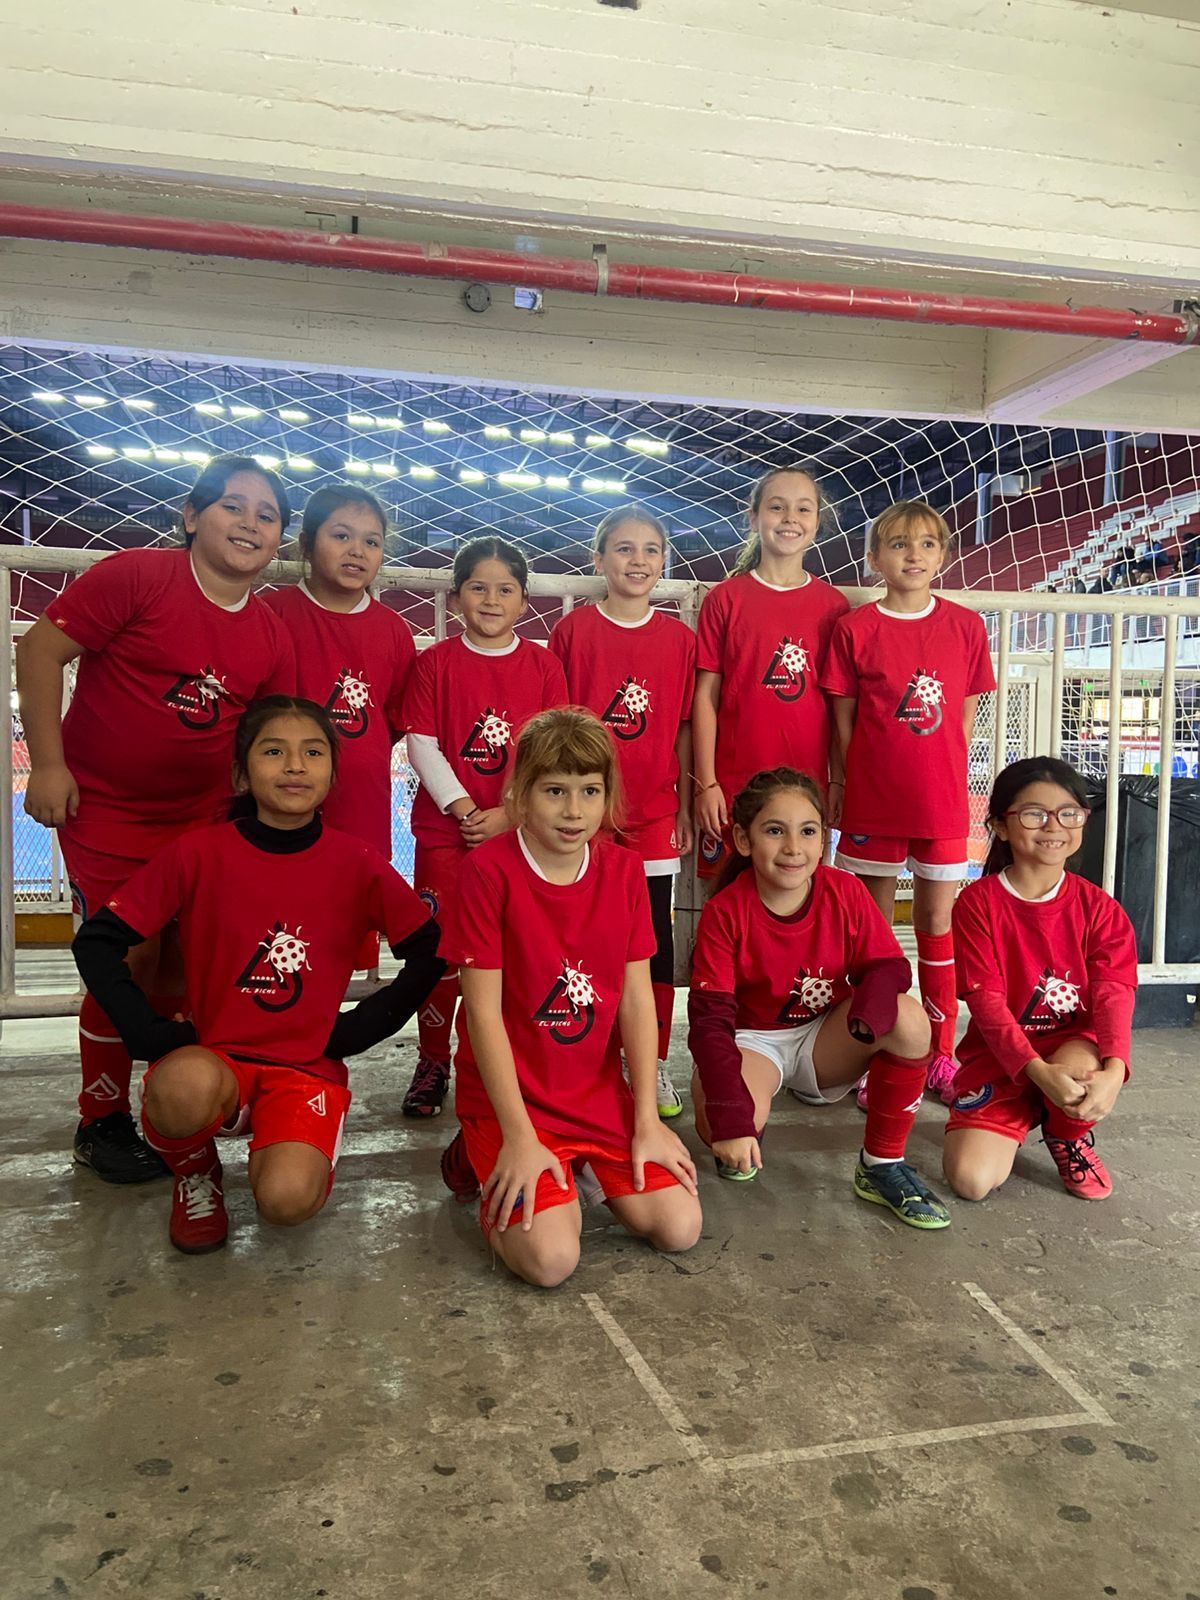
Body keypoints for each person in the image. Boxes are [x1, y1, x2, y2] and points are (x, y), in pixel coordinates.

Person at [71, 697, 445, 1253]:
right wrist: (147, 1033)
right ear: (242, 773)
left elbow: (431, 951)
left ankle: (290, 1140)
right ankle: (196, 1173)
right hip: (216, 1059)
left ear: (331, 772)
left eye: (312, 752)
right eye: (274, 751)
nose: (295, 766)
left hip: (306, 1068)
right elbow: (98, 942)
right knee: (179, 1088)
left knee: (287, 1203)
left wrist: (359, 1028)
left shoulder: (357, 862)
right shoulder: (198, 853)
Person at [16, 456, 297, 1185]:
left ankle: (172, 1112)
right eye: (234, 506)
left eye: (267, 517)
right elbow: (40, 648)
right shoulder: (137, 575)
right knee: (125, 963)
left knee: (182, 968)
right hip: (106, 813)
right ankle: (100, 1117)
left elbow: (263, 740)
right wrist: (49, 765)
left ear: (278, 543)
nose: (250, 523)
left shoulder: (268, 634)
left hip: (201, 824)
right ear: (191, 515)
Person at [438, 708, 701, 1287]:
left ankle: (574, 1165)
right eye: (555, 791)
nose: (574, 810)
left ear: (609, 798)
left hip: (593, 1091)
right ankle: (480, 1155)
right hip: (514, 1099)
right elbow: (480, 1014)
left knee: (679, 1227)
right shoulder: (485, 872)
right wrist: (519, 1138)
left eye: (590, 791)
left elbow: (636, 1001)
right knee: (553, 1260)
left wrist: (646, 1120)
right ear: (519, 795)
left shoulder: (626, 871)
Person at [688, 767, 951, 1230]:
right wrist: (730, 1115)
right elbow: (709, 1023)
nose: (793, 847)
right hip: (753, 1040)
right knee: (731, 1147)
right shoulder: (724, 912)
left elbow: (889, 966)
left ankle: (880, 1165)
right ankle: (744, 1111)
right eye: (775, 830)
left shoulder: (844, 890)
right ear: (744, 840)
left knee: (909, 1022)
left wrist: (869, 1013)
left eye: (808, 831)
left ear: (824, 839)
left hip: (823, 1035)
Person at [822, 500, 995, 1105]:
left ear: (942, 556)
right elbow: (844, 721)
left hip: (940, 804)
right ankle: (881, 1051)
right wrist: (850, 782)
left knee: (935, 926)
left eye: (926, 544)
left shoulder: (966, 627)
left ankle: (941, 1055)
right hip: (874, 802)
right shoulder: (854, 630)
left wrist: (941, 775)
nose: (913, 554)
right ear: (874, 558)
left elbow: (965, 719)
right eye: (898, 544)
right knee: (873, 935)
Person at [400, 538, 568, 1118]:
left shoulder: (545, 666)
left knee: (518, 950)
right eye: (478, 587)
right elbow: (421, 742)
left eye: (504, 589)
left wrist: (510, 813)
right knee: (442, 953)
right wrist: (465, 810)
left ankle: (507, 1060)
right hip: (448, 836)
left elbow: (552, 750)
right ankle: (432, 1060)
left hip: (521, 835)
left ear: (525, 600)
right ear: (456, 596)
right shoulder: (436, 663)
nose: (491, 599)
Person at [549, 506, 696, 1119]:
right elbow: (553, 729)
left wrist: (686, 802)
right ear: (599, 560)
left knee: (653, 942)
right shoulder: (575, 632)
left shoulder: (680, 640)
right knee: (583, 934)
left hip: (655, 814)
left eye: (651, 550)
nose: (639, 561)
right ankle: (585, 1050)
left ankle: (651, 1059)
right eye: (625, 549)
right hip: (586, 817)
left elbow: (685, 727)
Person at [942, 757, 1137, 1203]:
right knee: (971, 1182)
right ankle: (1034, 1102)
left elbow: (1114, 993)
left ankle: (1066, 1132)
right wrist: (1035, 1073)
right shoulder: (976, 903)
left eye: (1069, 813)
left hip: (1070, 1048)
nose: (1053, 826)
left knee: (1082, 1073)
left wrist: (1114, 1069)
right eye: (1034, 813)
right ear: (1001, 825)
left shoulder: (1100, 909)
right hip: (1002, 1057)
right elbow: (986, 1003)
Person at [264, 484, 416, 968]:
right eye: (342, 535)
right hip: (280, 809)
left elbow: (391, 720)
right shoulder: (273, 613)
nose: (357, 551)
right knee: (277, 937)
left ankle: (325, 1044)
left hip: (360, 809)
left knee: (338, 953)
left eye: (372, 542)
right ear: (307, 544)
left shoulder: (393, 630)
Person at [691, 465, 849, 880]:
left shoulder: (833, 607)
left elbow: (837, 708)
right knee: (727, 902)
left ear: (818, 520)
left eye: (803, 508)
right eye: (777, 507)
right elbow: (705, 697)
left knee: (800, 903)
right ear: (754, 516)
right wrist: (706, 783)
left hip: (806, 789)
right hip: (733, 786)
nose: (790, 519)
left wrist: (837, 782)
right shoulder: (726, 599)